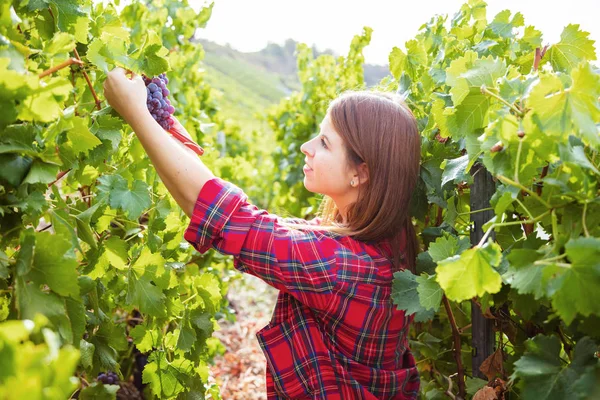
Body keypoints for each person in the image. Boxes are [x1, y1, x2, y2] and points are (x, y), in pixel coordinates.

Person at [104, 67, 422, 399]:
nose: (306, 147)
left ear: (361, 174)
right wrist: (162, 124)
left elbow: (228, 219)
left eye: (325, 143)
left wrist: (137, 113)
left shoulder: (348, 269)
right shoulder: (382, 243)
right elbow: (244, 219)